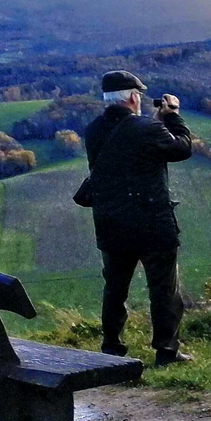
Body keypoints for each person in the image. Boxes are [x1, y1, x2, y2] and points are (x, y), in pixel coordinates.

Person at [83, 70, 195, 365]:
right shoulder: (148, 129)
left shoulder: (93, 130)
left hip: (111, 222)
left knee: (115, 287)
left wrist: (154, 123)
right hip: (151, 222)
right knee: (163, 289)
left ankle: (111, 348)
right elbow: (182, 148)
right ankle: (166, 351)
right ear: (134, 97)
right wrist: (172, 116)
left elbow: (128, 145)